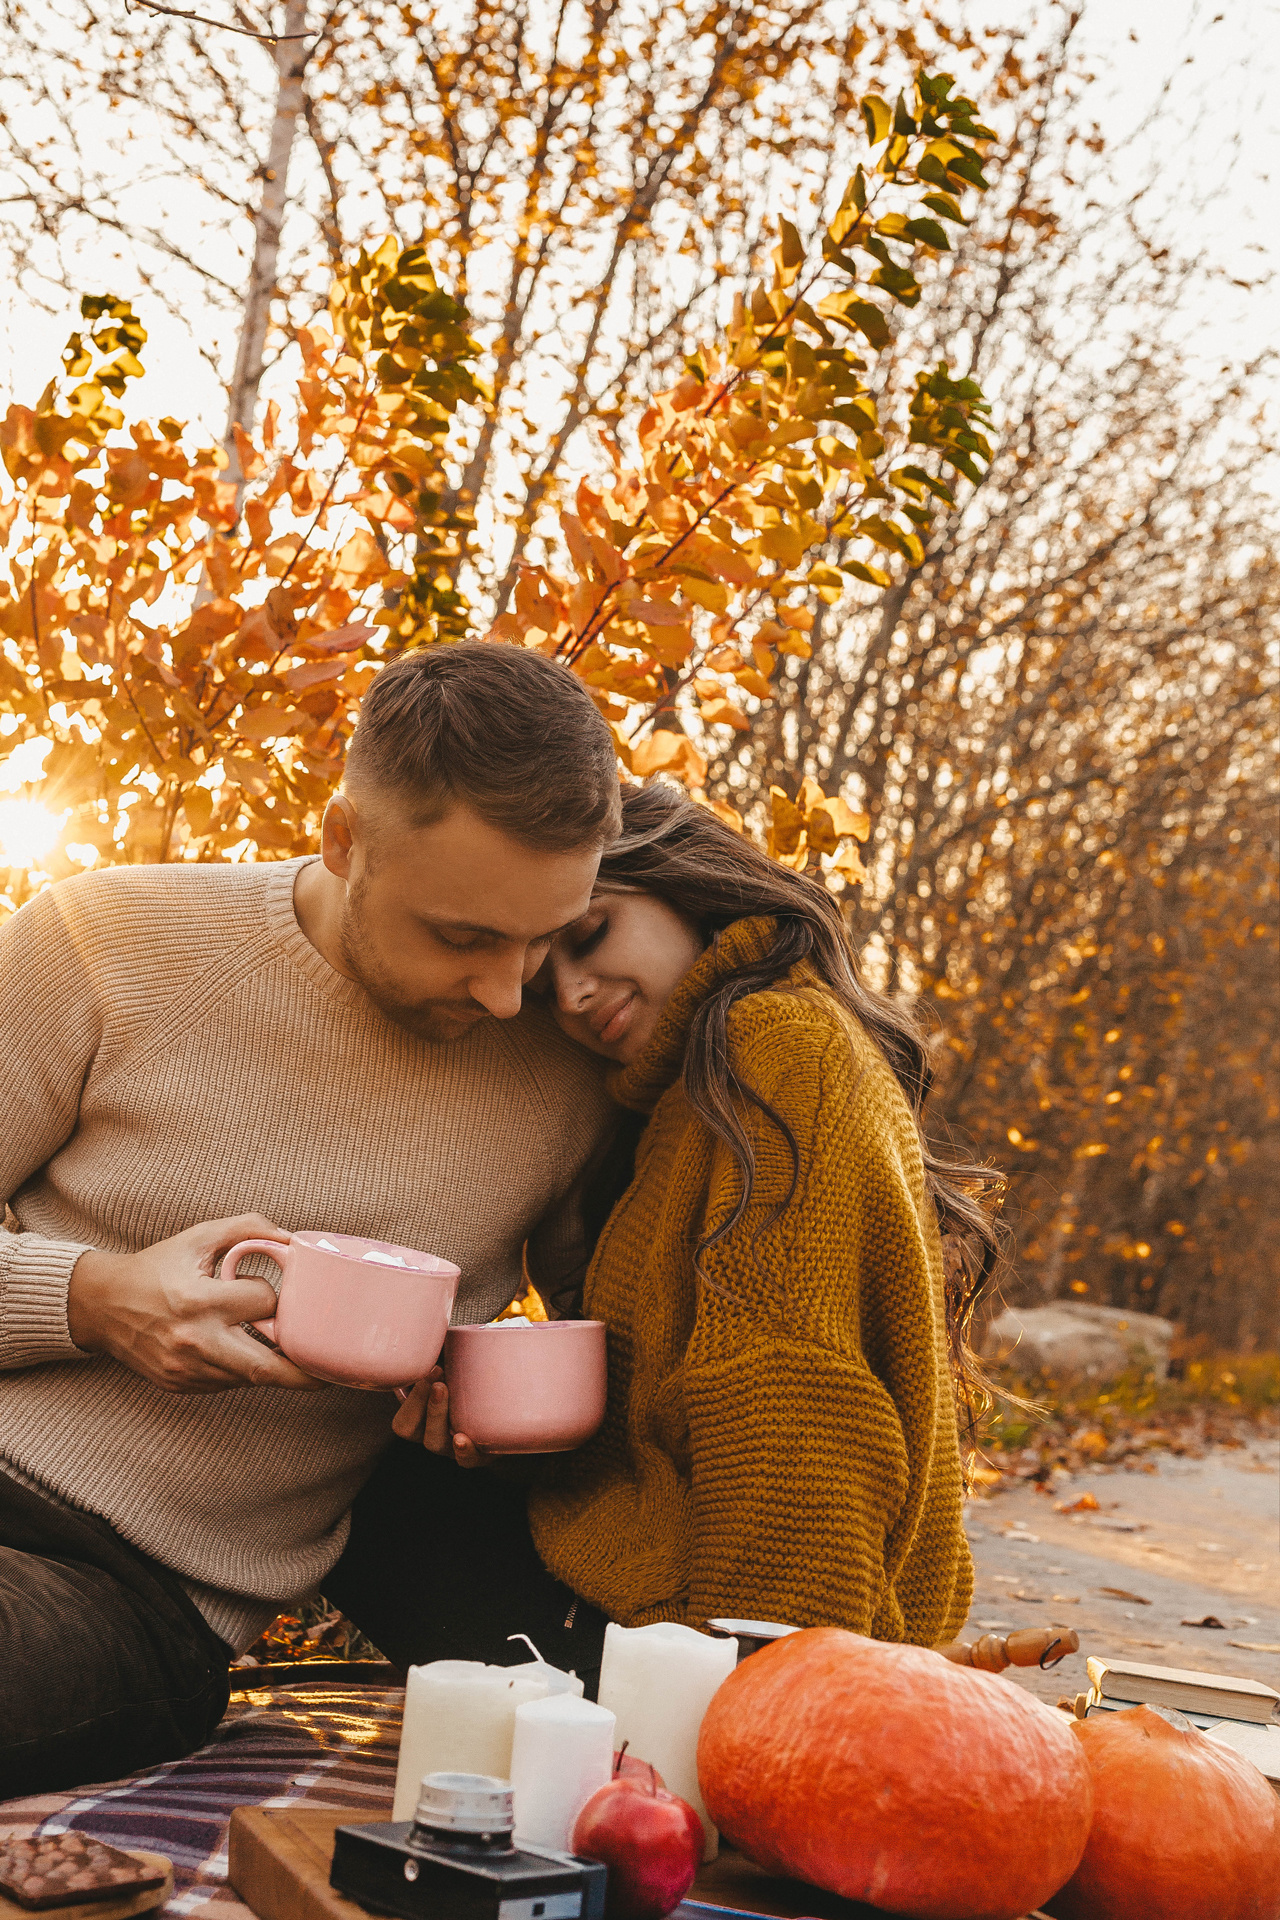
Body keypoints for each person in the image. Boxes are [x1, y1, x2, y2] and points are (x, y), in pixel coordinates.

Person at [0, 641, 622, 1797]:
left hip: (136, 1593)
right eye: (464, 936)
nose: (506, 992)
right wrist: (93, 1300)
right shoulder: (102, 943)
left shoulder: (573, 1069)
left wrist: (494, 1429)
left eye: (544, 938)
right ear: (343, 839)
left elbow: (593, 1354)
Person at [338, 781, 1002, 1673]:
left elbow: (792, 1399)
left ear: (686, 885)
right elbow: (660, 1422)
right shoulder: (686, 1091)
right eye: (545, 985)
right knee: (372, 1462)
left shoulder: (779, 1049)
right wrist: (503, 1445)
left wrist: (756, 1705)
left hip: (724, 1637)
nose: (571, 996)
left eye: (590, 935)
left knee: (352, 1488)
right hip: (662, 1595)